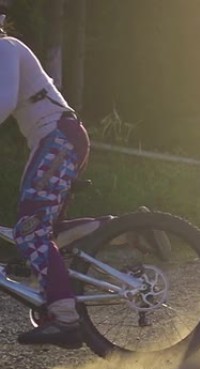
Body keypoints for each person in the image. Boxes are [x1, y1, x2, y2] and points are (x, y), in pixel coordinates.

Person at [0, 12, 89, 349]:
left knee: (29, 228)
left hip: (58, 138)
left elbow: (4, 102)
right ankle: (118, 231)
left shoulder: (6, 46)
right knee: (39, 226)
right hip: (54, 139)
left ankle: (65, 319)